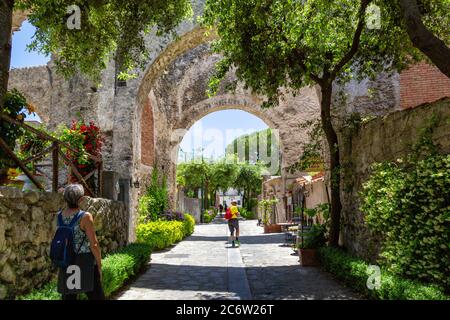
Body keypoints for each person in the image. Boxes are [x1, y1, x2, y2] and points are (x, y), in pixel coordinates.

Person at [57, 184, 105, 300]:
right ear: (81, 199)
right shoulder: (85, 216)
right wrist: (99, 264)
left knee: (69, 296)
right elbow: (94, 244)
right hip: (85, 260)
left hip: (67, 260)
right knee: (96, 295)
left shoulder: (59, 216)